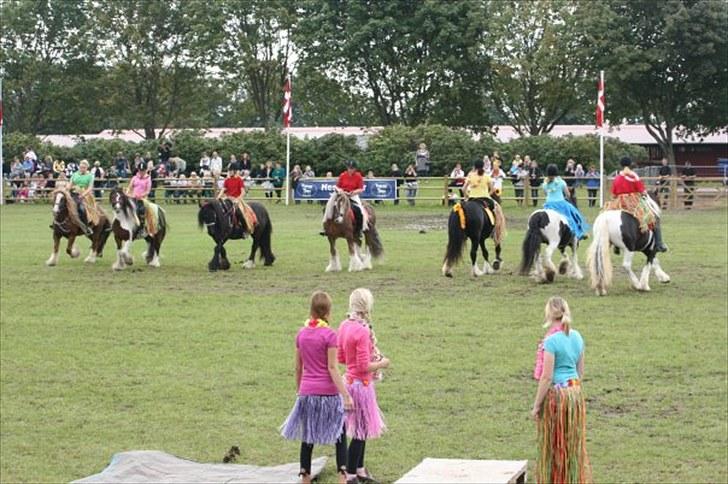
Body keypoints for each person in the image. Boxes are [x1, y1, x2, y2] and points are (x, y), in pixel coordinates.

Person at [281, 292, 353, 484]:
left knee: (308, 434)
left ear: (311, 311)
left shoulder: (301, 334)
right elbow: (332, 368)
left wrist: (300, 391)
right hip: (328, 394)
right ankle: (342, 477)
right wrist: (345, 394)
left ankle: (305, 476)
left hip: (307, 393)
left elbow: (298, 367)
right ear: (328, 313)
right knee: (339, 433)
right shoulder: (330, 335)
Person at [531, 296, 591, 484]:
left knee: (555, 443)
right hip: (574, 394)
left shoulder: (551, 341)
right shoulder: (577, 336)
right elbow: (580, 372)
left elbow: (547, 377)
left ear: (549, 313)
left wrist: (536, 406)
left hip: (557, 397)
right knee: (571, 444)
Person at [337, 288, 390, 484]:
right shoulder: (362, 330)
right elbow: (363, 366)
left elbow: (341, 357)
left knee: (363, 428)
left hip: (348, 381)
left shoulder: (344, 325)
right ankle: (351, 472)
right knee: (361, 430)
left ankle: (359, 467)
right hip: (362, 385)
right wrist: (383, 363)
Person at [605, 156, 668, 252]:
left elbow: (613, 194)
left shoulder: (617, 177)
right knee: (653, 218)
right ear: (630, 164)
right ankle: (659, 243)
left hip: (619, 202)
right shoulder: (633, 175)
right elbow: (642, 191)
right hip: (633, 201)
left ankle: (616, 245)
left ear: (621, 165)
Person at [542, 164, 589, 240]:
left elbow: (546, 194)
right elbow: (568, 194)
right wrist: (567, 199)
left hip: (549, 205)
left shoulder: (544, 184)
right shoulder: (561, 182)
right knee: (575, 215)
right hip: (561, 203)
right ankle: (580, 233)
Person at [323, 160, 368, 235]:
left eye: (352, 168)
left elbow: (361, 189)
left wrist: (353, 192)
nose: (350, 170)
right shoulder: (343, 175)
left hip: (352, 195)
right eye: (349, 168)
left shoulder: (358, 176)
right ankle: (326, 227)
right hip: (341, 194)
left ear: (355, 169)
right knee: (328, 206)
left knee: (360, 210)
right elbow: (337, 186)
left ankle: (360, 229)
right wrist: (340, 191)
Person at [217, 163, 253, 236]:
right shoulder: (227, 180)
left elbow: (243, 192)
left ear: (235, 171)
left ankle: (245, 230)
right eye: (229, 170)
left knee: (240, 212)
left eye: (231, 170)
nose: (229, 172)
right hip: (228, 199)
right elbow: (223, 190)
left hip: (237, 199)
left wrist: (237, 199)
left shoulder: (239, 180)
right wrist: (218, 198)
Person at [67, 160, 98, 235]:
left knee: (81, 208)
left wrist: (83, 195)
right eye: (81, 167)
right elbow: (70, 184)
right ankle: (57, 224)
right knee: (61, 204)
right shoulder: (74, 174)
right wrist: (66, 190)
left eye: (84, 167)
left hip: (85, 194)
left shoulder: (90, 176)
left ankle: (86, 226)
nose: (82, 169)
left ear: (87, 168)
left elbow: (90, 188)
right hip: (73, 193)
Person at [127, 165, 152, 238]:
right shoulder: (134, 178)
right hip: (133, 198)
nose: (141, 172)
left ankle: (141, 228)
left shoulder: (148, 178)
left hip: (142, 199)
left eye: (143, 170)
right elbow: (130, 187)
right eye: (140, 170)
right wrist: (128, 193)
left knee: (140, 210)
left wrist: (141, 195)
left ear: (145, 170)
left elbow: (148, 191)